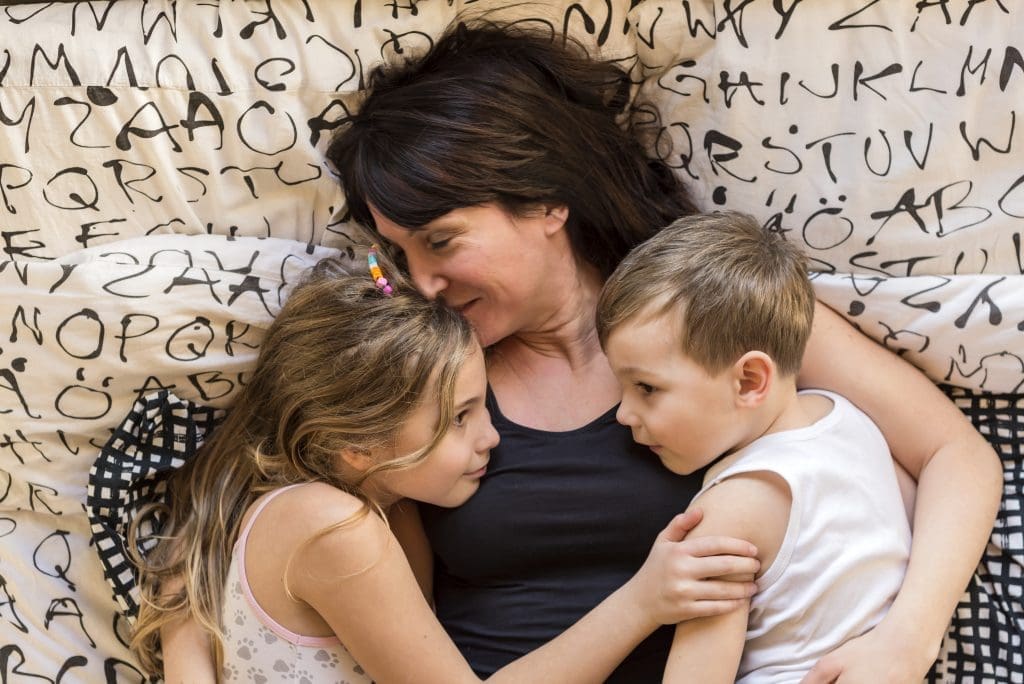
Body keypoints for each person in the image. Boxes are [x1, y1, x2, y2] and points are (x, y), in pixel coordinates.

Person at [325, 19, 1002, 683]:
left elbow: (955, 455)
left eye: (440, 241)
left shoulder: (718, 314)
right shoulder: (417, 378)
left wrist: (907, 640)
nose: (423, 284)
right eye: (400, 255)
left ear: (544, 201)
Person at [131, 254, 760, 683]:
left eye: (484, 405)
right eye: (459, 417)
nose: (493, 437)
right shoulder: (334, 528)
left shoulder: (353, 509)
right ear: (358, 445)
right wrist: (644, 602)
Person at [597, 211, 914, 682]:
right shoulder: (854, 423)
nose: (623, 414)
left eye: (646, 388)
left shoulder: (729, 513)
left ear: (749, 380)